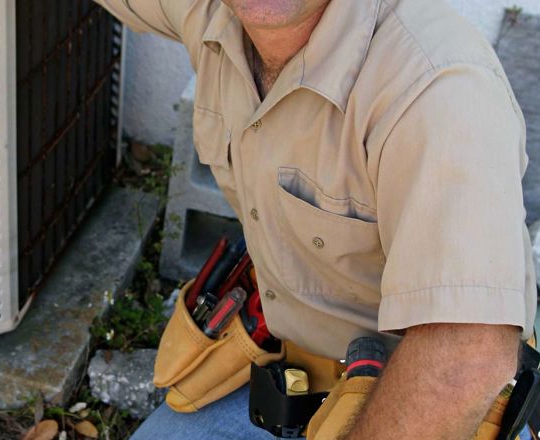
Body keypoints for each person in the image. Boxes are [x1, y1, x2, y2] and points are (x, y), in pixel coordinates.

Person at [94, 0, 537, 438]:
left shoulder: (436, 87)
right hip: (285, 371)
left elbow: (465, 362)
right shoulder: (216, 16)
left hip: (414, 405)